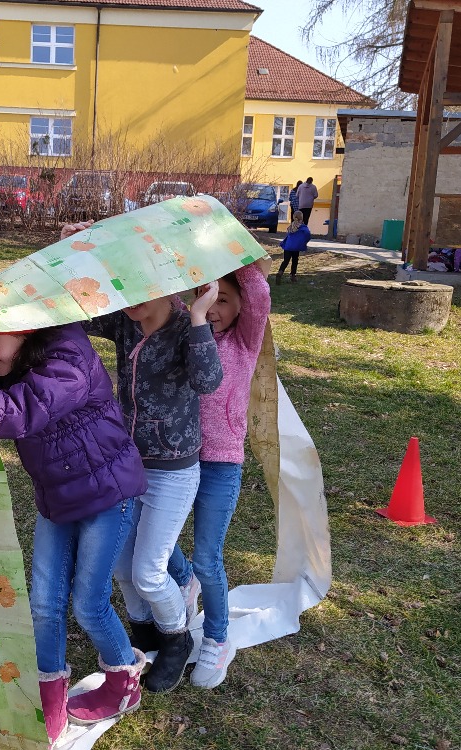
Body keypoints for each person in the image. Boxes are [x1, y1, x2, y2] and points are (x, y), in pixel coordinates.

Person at [0, 325, 148, 747]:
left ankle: (124, 686)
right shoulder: (10, 360)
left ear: (24, 329)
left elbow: (18, 413)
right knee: (43, 604)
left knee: (89, 605)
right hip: (57, 498)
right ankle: (48, 696)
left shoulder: (69, 357)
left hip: (108, 496)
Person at [80, 282, 223, 694]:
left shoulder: (185, 327)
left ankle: (177, 639)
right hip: (126, 466)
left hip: (173, 472)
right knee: (123, 568)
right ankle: (144, 633)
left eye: (142, 286)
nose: (131, 298)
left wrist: (199, 316)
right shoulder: (126, 321)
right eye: (125, 286)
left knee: (148, 573)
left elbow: (208, 381)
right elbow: (69, 316)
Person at [167, 260, 271, 688]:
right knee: (152, 540)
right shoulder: (186, 331)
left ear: (241, 306)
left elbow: (258, 292)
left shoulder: (245, 339)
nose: (211, 307)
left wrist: (231, 249)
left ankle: (217, 638)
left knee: (208, 559)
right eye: (204, 296)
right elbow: (165, 294)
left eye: (222, 299)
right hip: (176, 460)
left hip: (221, 464)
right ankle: (183, 578)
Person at [275, 210, 312, 283]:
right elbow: (308, 234)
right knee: (295, 261)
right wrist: (304, 241)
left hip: (288, 247)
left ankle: (280, 272)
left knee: (286, 261)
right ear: (302, 218)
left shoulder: (291, 226)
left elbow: (288, 236)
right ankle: (293, 276)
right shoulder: (302, 227)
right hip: (296, 247)